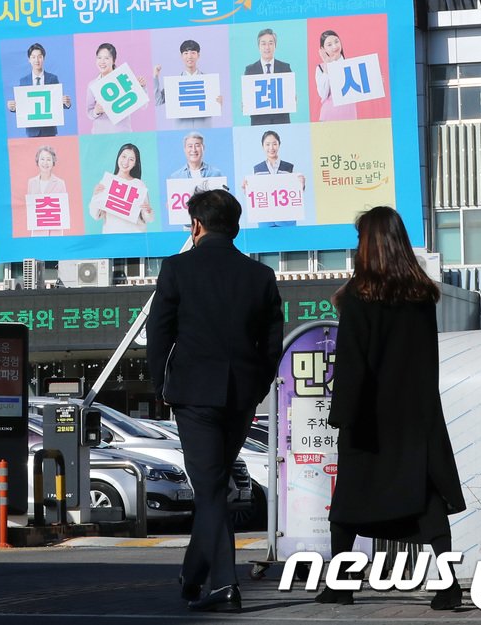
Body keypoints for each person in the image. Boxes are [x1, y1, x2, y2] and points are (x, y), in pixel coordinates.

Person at [318, 207, 466, 611]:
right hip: (415, 415)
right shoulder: (421, 297)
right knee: (426, 499)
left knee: (348, 503)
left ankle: (341, 584)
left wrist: (342, 416)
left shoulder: (358, 298)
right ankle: (449, 585)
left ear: (368, 246)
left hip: (368, 417)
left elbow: (352, 365)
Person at [146, 190, 283, 612]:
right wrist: (256, 388)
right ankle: (193, 575)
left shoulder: (177, 268)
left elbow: (159, 334)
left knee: (208, 488)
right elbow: (272, 344)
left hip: (193, 394)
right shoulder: (259, 276)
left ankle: (224, 583)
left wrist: (160, 386)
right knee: (212, 486)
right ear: (234, 226)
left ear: (197, 225)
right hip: (240, 396)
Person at [241, 130, 306, 227]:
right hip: (265, 219)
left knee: (289, 241)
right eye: (267, 144)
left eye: (274, 144)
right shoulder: (257, 169)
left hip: (287, 219)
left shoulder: (289, 167)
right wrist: (246, 189)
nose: (271, 148)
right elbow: (255, 195)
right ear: (262, 146)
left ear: (279, 144)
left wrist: (302, 185)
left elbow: (296, 193)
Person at [154, 39, 223, 128]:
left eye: (193, 53)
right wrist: (155, 76)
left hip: (204, 127)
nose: (189, 56)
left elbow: (214, 107)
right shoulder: (174, 83)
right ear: (181, 56)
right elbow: (158, 101)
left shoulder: (208, 82)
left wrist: (218, 104)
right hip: (181, 128)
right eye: (186, 53)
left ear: (198, 55)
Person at [7, 42, 71, 137]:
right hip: (32, 131)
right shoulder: (24, 81)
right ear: (29, 59)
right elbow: (23, 106)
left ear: (43, 58)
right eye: (33, 57)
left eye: (39, 57)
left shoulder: (53, 78)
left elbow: (58, 104)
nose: (37, 60)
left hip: (49, 130)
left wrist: (66, 103)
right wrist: (13, 107)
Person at [90, 142, 154, 233]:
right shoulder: (107, 182)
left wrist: (148, 211)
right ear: (118, 157)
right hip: (113, 237)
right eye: (123, 156)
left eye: (131, 159)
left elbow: (148, 219)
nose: (126, 162)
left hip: (134, 237)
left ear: (135, 163)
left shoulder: (139, 185)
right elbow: (96, 215)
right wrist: (95, 196)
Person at [84, 42, 145, 134]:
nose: (102, 62)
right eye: (99, 58)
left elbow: (143, 105)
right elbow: (89, 113)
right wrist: (96, 111)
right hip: (100, 134)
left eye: (106, 58)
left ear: (113, 60)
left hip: (123, 132)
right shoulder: (92, 85)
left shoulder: (123, 78)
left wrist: (142, 88)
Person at [242, 28, 293, 125]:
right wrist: (245, 104)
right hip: (259, 122)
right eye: (263, 43)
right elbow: (248, 99)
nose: (267, 47)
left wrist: (292, 98)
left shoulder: (285, 68)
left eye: (270, 43)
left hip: (281, 121)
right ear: (258, 46)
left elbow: (290, 95)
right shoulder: (250, 70)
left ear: (275, 46)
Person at [314, 29, 359, 121]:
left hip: (349, 114)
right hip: (329, 116)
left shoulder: (352, 65)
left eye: (336, 41)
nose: (334, 46)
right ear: (323, 49)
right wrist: (327, 67)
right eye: (329, 45)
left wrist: (374, 80)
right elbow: (323, 94)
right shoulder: (320, 68)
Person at [25, 145, 68, 236]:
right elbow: (30, 208)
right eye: (42, 159)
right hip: (37, 232)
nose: (45, 162)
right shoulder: (31, 183)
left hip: (55, 232)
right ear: (38, 161)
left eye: (48, 159)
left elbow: (63, 209)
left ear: (53, 162)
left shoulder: (60, 183)